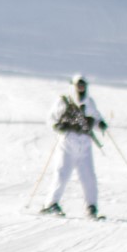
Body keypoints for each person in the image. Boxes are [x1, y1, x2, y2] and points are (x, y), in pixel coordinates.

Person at [41, 73, 106, 219]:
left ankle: (91, 207)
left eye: (83, 85)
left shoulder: (89, 102)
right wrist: (57, 126)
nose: (81, 87)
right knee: (62, 174)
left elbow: (95, 117)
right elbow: (51, 118)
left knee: (88, 176)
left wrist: (99, 124)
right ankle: (51, 203)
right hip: (68, 142)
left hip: (84, 143)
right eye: (78, 85)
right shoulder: (64, 101)